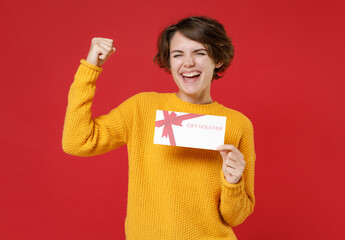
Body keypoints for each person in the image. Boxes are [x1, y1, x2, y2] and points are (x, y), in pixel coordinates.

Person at [62, 15, 256, 240]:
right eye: (177, 55)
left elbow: (235, 217)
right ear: (169, 62)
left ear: (218, 60)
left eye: (200, 53)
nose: (188, 62)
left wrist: (233, 183)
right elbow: (77, 141)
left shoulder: (238, 124)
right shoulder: (142, 108)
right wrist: (90, 68)